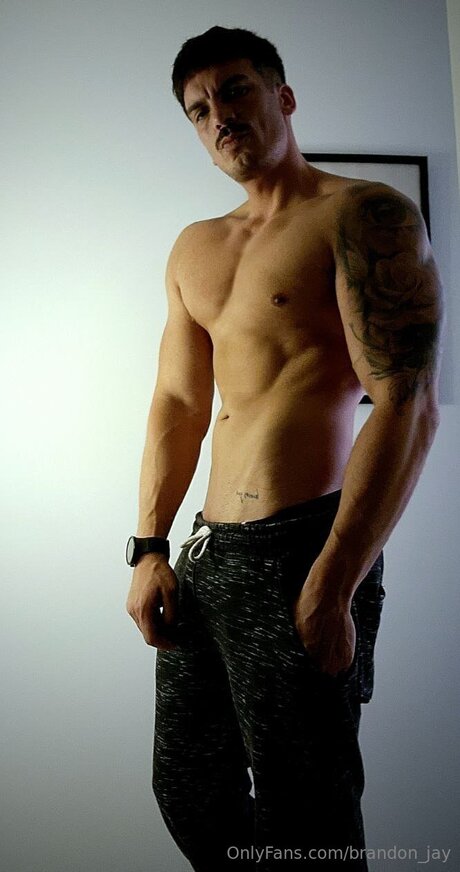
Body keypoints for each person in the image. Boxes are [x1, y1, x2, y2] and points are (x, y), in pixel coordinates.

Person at [125, 26, 443, 872]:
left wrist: (336, 577)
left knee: (309, 807)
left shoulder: (362, 214)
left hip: (302, 550)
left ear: (283, 96)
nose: (219, 116)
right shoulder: (195, 247)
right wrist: (149, 547)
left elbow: (408, 404)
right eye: (199, 109)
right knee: (188, 788)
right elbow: (179, 403)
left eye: (235, 90)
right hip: (206, 555)